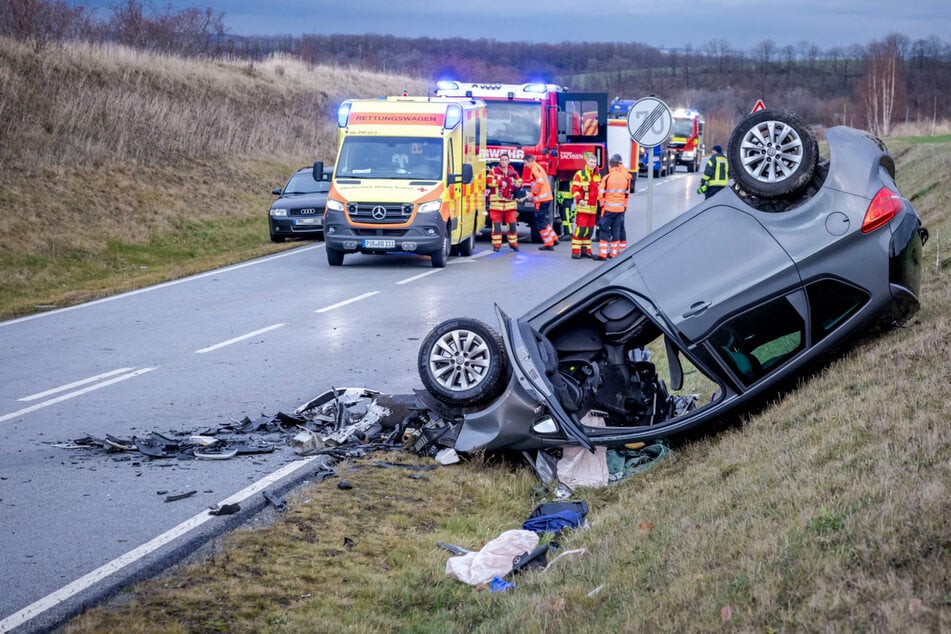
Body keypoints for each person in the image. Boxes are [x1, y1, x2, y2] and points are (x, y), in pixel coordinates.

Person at [596, 153, 632, 260]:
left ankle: (602, 254)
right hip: (620, 209)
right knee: (616, 231)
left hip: (608, 209)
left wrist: (602, 206)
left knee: (604, 230)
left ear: (610, 165)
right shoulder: (625, 177)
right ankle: (614, 254)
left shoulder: (607, 178)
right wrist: (624, 206)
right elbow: (627, 193)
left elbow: (600, 194)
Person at [485, 153, 522, 252]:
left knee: (512, 226)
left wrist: (518, 184)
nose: (504, 161)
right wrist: (500, 183)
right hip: (497, 203)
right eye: (502, 160)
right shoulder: (493, 171)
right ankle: (496, 246)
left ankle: (513, 244)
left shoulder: (513, 172)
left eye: (506, 160)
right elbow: (488, 181)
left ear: (509, 161)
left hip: (510, 204)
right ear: (500, 161)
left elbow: (520, 182)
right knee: (496, 226)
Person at [569, 152, 602, 259]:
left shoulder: (597, 175)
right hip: (583, 208)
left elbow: (599, 190)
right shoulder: (580, 174)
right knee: (581, 229)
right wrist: (579, 199)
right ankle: (575, 251)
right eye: (591, 162)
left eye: (594, 162)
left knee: (589, 231)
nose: (593, 164)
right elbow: (574, 189)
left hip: (593, 209)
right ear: (587, 162)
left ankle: (586, 251)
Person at [523, 154, 559, 250]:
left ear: (530, 161)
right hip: (546, 198)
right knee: (543, 220)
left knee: (539, 222)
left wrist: (533, 193)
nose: (524, 166)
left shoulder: (534, 168)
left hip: (542, 199)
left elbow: (540, 182)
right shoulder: (537, 166)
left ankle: (548, 243)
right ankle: (554, 238)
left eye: (525, 163)